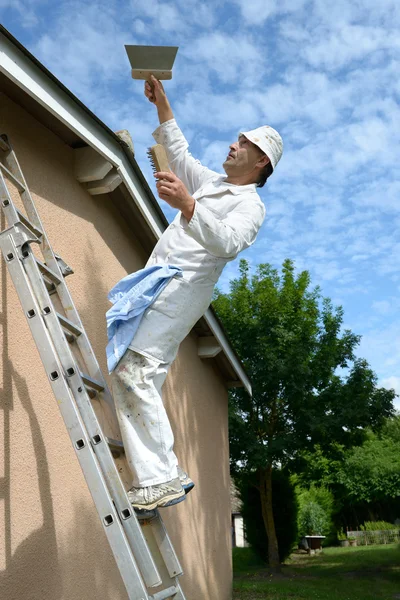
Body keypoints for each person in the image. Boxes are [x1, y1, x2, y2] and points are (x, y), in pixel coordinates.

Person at [110, 76, 283, 511]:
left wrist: (188, 206)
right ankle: (162, 474)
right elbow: (180, 151)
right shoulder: (211, 183)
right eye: (235, 139)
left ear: (261, 161)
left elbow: (227, 241)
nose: (231, 145)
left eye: (242, 144)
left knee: (135, 370)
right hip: (161, 281)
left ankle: (161, 477)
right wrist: (162, 104)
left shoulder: (250, 206)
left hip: (183, 289)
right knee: (134, 369)